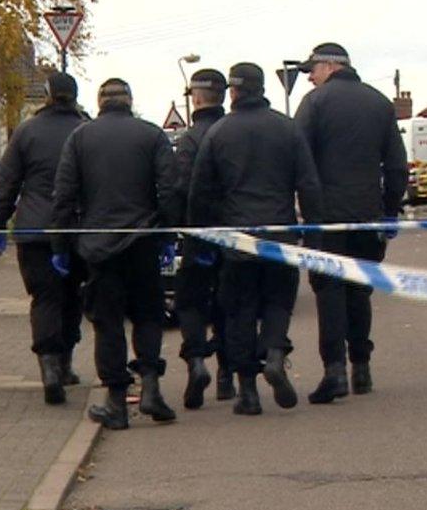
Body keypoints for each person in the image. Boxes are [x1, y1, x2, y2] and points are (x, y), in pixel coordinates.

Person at [189, 62, 323, 416]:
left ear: (233, 92)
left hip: (237, 241)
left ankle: (247, 390)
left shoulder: (219, 133)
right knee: (279, 302)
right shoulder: (288, 129)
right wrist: (312, 230)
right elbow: (308, 183)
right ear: (261, 88)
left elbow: (200, 193)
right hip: (280, 234)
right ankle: (276, 355)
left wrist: (202, 241)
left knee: (239, 312)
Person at [51, 78, 181, 430]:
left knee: (107, 323)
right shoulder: (152, 135)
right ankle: (151, 387)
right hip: (142, 241)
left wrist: (60, 246)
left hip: (99, 246)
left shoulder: (79, 138)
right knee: (149, 315)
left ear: (100, 102)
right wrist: (167, 235)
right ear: (130, 101)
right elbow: (168, 189)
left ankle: (116, 402)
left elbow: (64, 196)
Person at [293, 43, 409, 404]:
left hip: (324, 218)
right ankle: (362, 367)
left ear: (331, 66)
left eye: (312, 69)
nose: (310, 77)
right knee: (360, 290)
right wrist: (389, 210)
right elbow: (396, 166)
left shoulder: (315, 104)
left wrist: (305, 211)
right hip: (367, 214)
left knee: (328, 291)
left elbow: (298, 160)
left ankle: (335, 372)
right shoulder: (379, 103)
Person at [0, 72, 89, 406]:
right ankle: (65, 364)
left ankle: (48, 367)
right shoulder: (85, 129)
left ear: (46, 95)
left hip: (34, 229)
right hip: (76, 229)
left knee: (44, 299)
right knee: (72, 296)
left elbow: (8, 182)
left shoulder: (26, 132)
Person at [173, 68, 236, 409]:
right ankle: (228, 376)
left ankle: (196, 361)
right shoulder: (234, 133)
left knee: (191, 302)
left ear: (195, 98)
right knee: (229, 304)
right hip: (238, 235)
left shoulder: (190, 140)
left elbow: (180, 188)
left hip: (199, 235)